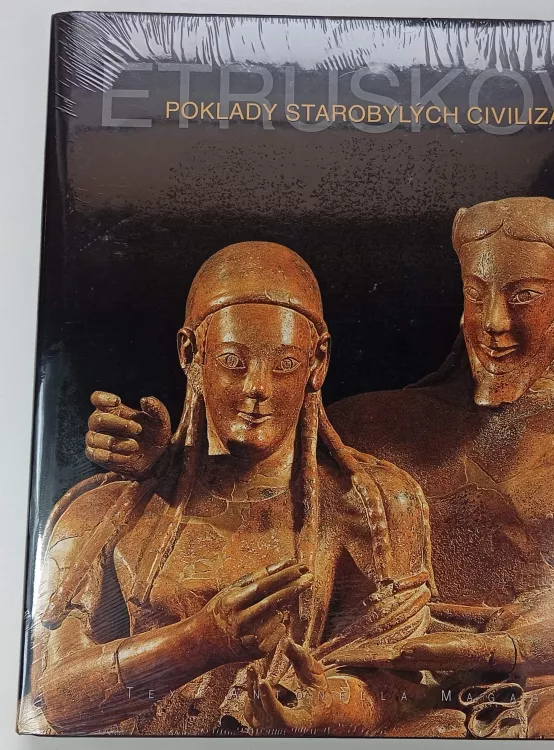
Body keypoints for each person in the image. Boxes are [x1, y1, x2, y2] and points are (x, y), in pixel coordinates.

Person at [327, 198, 554, 739]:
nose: (494, 323)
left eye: (524, 295)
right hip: (396, 675)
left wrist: (502, 648)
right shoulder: (370, 424)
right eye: (476, 293)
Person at [27, 242, 436, 737]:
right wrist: (199, 641)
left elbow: (407, 686)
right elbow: (54, 698)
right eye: (232, 361)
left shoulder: (375, 505)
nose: (257, 387)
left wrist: (324, 706)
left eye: (285, 364)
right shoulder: (110, 509)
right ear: (191, 354)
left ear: (318, 362)